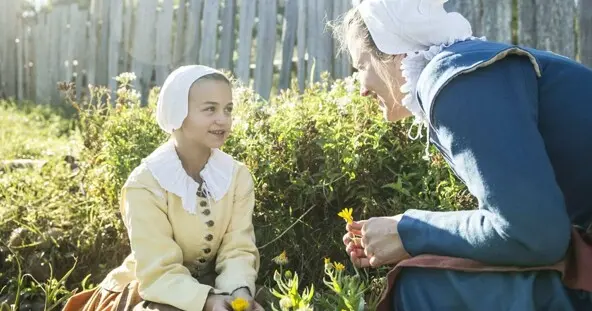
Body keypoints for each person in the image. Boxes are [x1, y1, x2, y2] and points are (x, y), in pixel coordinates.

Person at [331, 0, 592, 310]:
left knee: (421, 286)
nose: (361, 87)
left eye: (360, 66)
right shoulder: (469, 69)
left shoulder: (457, 80)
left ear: (393, 48)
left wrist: (408, 231)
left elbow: (533, 235)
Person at [62, 65, 264, 311]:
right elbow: (158, 270)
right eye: (210, 109)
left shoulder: (236, 176)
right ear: (176, 112)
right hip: (153, 288)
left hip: (214, 286)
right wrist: (207, 302)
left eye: (228, 109)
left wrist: (238, 293)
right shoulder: (145, 184)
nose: (223, 118)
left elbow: (238, 247)